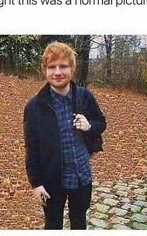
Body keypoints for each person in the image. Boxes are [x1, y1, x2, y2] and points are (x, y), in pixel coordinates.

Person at [23, 41, 106, 229]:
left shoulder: (85, 97)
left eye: (63, 66)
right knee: (53, 225)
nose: (57, 72)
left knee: (79, 221)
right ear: (44, 70)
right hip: (52, 181)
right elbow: (32, 148)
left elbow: (101, 123)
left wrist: (90, 125)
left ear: (72, 69)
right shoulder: (34, 107)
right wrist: (36, 184)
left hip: (82, 176)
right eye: (52, 67)